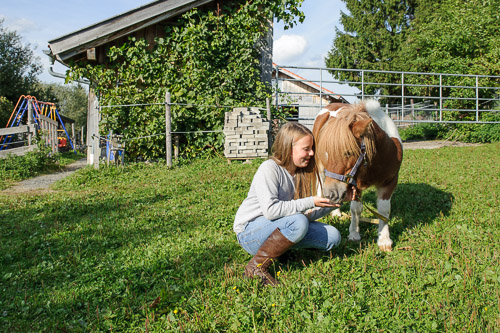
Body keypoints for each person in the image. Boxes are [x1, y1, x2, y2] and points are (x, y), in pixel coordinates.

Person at [234, 122, 343, 286]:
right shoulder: (269, 169)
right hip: (250, 232)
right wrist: (310, 201)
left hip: (280, 226)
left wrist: (337, 201)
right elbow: (271, 211)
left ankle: (282, 251)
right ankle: (255, 267)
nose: (312, 153)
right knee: (297, 221)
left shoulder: (300, 173)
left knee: (333, 237)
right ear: (288, 148)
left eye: (312, 148)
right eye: (306, 149)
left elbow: (306, 215)